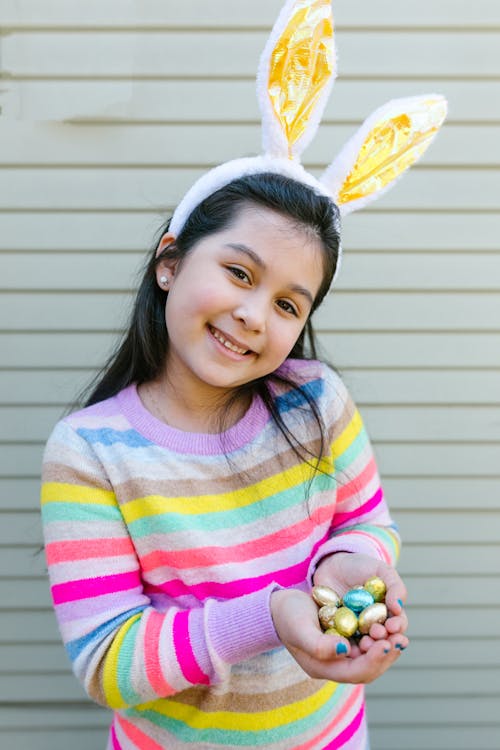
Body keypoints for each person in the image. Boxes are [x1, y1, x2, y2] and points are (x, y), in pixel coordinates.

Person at [41, 2, 446, 747]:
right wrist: (274, 615)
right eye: (237, 272)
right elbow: (106, 660)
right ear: (169, 263)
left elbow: (367, 524)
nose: (256, 315)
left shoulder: (317, 399)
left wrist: (355, 569)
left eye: (289, 302)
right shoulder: (89, 450)